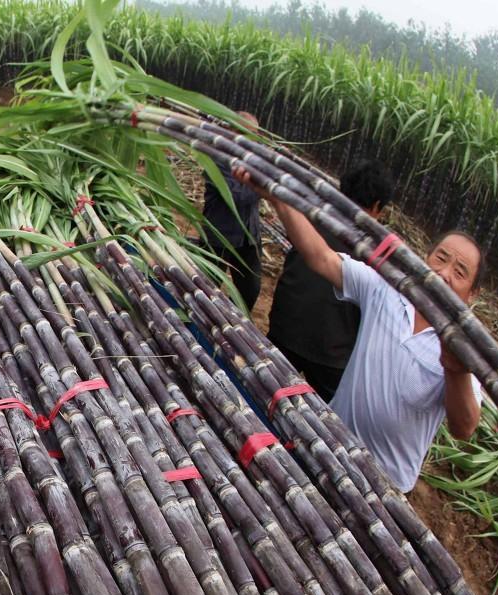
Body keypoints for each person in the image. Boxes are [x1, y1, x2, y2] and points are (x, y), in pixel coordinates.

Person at [232, 165, 483, 493]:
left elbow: (464, 427)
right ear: (426, 257)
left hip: (384, 486)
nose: (444, 273)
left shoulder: (466, 350)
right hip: (330, 445)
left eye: (460, 271)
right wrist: (278, 199)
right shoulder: (388, 289)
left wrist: (455, 370)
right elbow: (322, 258)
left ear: (472, 294)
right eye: (441, 258)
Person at [268, 160, 395, 401]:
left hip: (285, 328)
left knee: (267, 390)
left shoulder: (312, 215)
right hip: (330, 353)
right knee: (331, 416)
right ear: (377, 206)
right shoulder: (374, 250)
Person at [203, 111, 264, 311]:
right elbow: (238, 196)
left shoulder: (254, 158)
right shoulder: (217, 157)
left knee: (250, 290)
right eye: (249, 135)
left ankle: (232, 320)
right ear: (231, 132)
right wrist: (266, 185)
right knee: (207, 287)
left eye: (256, 136)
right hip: (220, 236)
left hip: (249, 236)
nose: (253, 142)